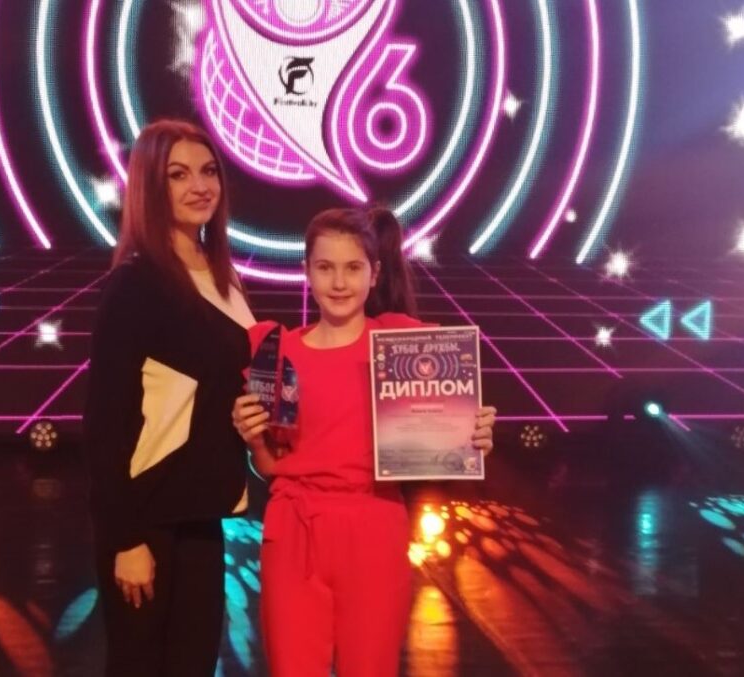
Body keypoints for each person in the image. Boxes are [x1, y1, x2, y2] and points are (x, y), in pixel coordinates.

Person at [233, 208, 497, 676]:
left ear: (374, 273)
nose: (339, 282)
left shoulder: (401, 346)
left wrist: (471, 433)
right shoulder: (277, 353)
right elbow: (271, 467)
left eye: (352, 268)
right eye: (325, 267)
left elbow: (450, 422)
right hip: (294, 532)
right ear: (306, 271)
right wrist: (253, 440)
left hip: (374, 524)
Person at [83, 119, 255, 676]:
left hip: (203, 514)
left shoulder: (226, 279)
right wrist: (124, 539)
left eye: (208, 172)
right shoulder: (135, 284)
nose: (199, 186)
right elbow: (104, 424)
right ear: (150, 187)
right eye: (178, 175)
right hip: (145, 518)